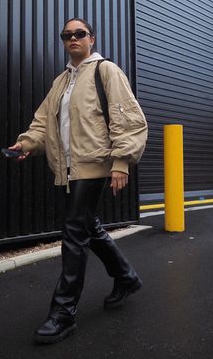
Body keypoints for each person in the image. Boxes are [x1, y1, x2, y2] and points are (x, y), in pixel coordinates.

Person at [9, 18, 148, 344]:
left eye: (79, 34)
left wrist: (121, 162)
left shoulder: (106, 71)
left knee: (74, 233)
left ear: (91, 38)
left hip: (95, 166)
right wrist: (26, 144)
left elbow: (128, 118)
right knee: (88, 227)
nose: (73, 38)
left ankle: (63, 312)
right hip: (68, 169)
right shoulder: (61, 82)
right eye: (67, 35)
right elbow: (43, 121)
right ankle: (126, 277)